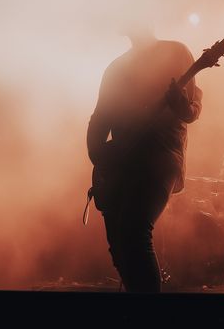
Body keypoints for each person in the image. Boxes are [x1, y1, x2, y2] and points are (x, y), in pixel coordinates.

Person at [87, 22, 202, 292]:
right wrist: (98, 156)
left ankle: (148, 316)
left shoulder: (176, 52)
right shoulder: (116, 68)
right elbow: (100, 117)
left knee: (134, 230)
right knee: (118, 243)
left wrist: (181, 105)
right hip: (119, 164)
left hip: (160, 156)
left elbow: (194, 109)